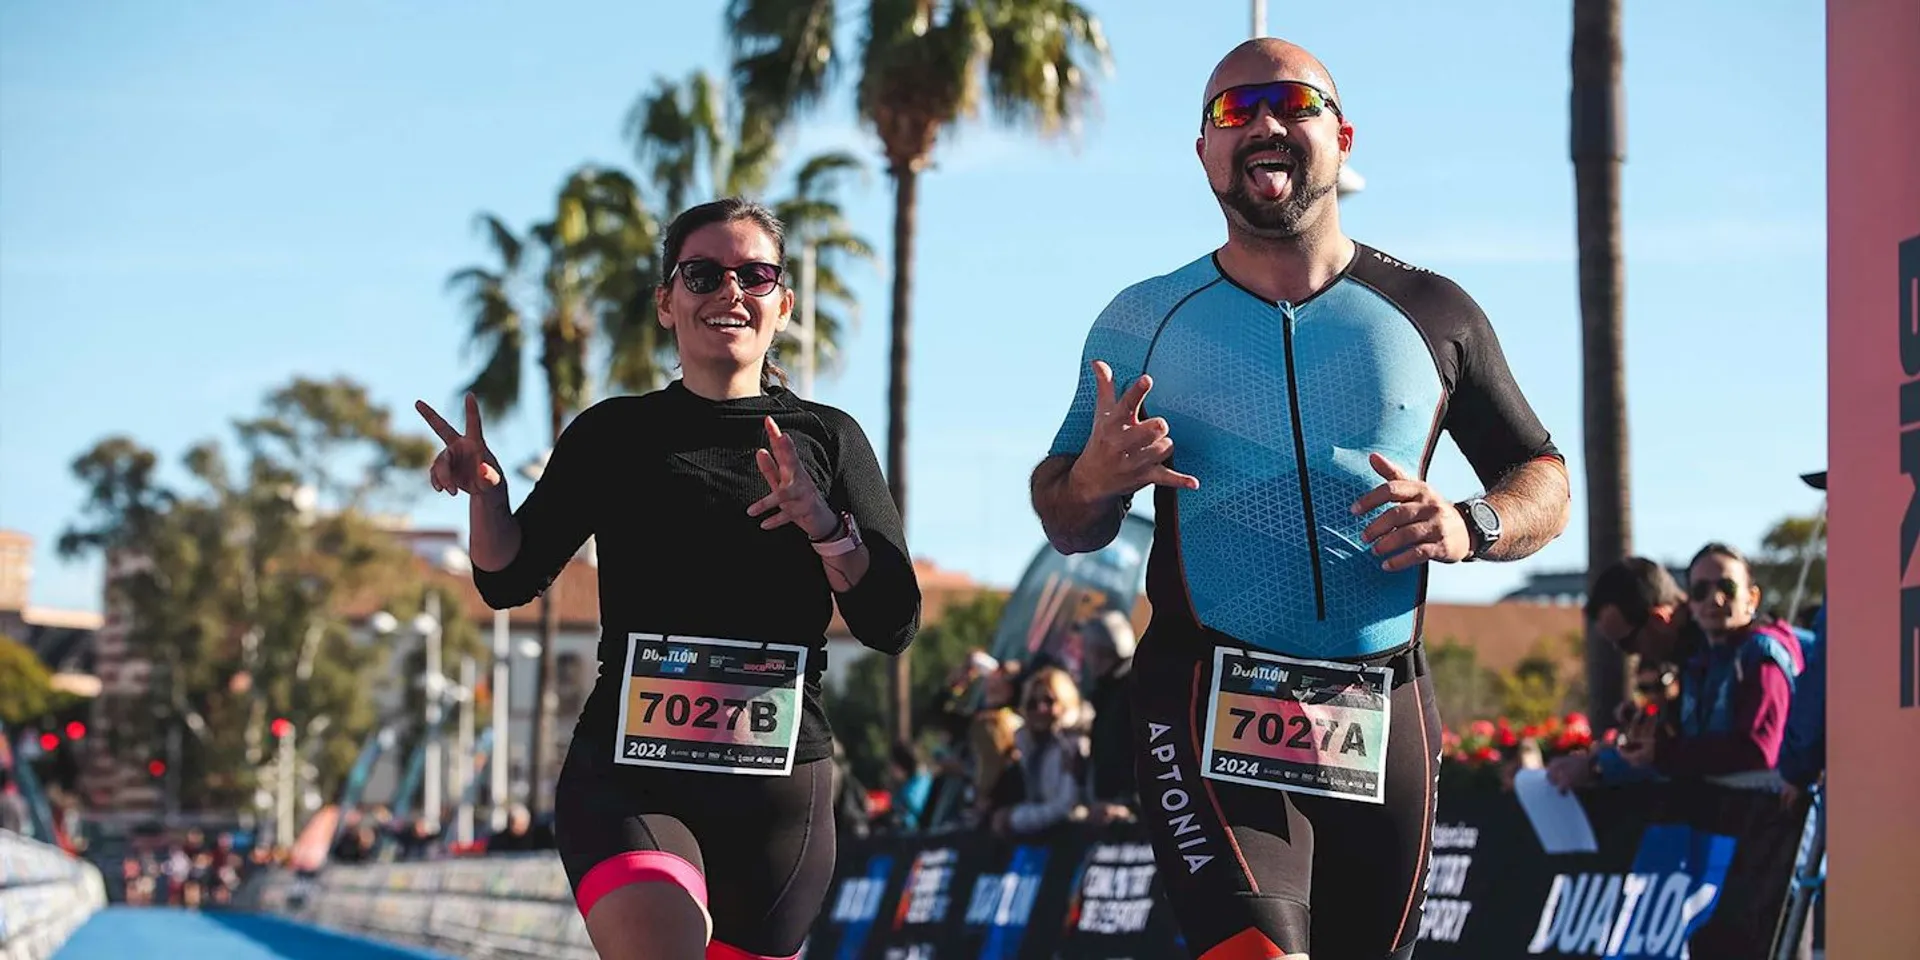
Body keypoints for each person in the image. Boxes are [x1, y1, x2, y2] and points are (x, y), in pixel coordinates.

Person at [1029, 38, 1570, 960]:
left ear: (1343, 137)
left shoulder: (1433, 312)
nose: (1264, 125)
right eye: (1233, 113)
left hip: (1383, 707)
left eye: (1292, 104)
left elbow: (1543, 474)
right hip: (1203, 698)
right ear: (1202, 152)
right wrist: (1091, 482)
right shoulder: (1141, 320)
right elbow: (1067, 517)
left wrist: (1471, 524)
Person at [419, 197, 922, 960]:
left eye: (755, 275)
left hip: (780, 797)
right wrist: (489, 496)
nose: (731, 292)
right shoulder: (614, 433)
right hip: (631, 779)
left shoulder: (830, 438)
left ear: (782, 304)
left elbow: (894, 621)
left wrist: (825, 527)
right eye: (703, 274)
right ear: (666, 302)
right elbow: (507, 578)